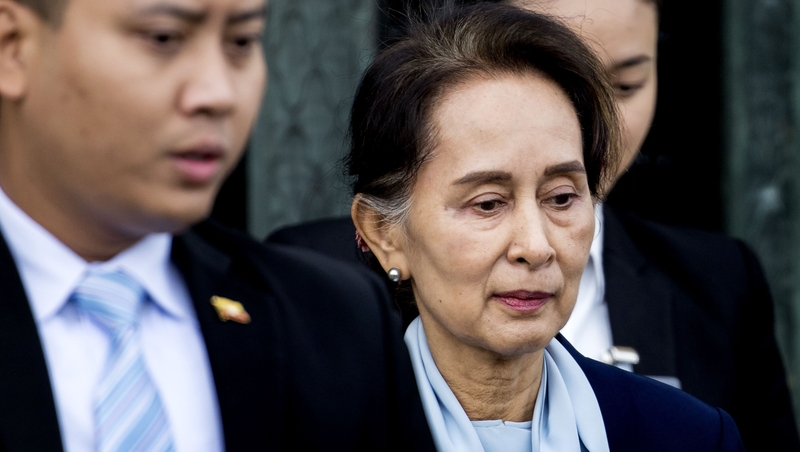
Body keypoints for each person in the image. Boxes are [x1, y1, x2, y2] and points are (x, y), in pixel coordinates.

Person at [268, 0, 800, 448]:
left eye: (563, 197)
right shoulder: (302, 429)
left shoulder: (686, 435)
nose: (535, 246)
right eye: (487, 203)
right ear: (383, 232)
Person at [0, 0, 435, 450]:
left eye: (241, 41)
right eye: (163, 38)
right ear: (14, 46)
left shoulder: (332, 327)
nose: (218, 92)